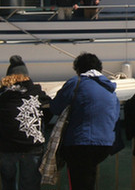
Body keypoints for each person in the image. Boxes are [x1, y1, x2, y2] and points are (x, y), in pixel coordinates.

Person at [50, 52, 119, 190]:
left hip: (79, 143)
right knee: (88, 180)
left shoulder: (76, 83)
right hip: (105, 144)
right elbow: (115, 116)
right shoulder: (110, 89)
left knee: (79, 182)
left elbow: (56, 107)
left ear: (78, 69)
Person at [0, 55, 51, 190]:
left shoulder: (1, 94)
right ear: (26, 76)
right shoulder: (35, 91)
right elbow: (48, 109)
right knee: (30, 185)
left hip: (6, 146)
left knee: (8, 183)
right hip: (31, 145)